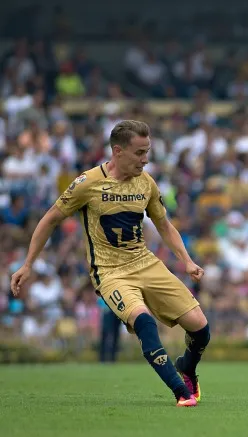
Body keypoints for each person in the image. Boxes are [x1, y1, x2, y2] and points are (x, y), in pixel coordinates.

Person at [11, 120, 208, 407]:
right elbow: (50, 218)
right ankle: (181, 392)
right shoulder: (87, 183)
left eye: (147, 151)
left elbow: (164, 225)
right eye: (139, 152)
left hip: (145, 263)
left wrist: (187, 261)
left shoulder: (146, 183)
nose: (145, 158)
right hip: (110, 272)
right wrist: (27, 264)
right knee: (144, 322)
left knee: (200, 328)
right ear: (118, 151)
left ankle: (187, 368)